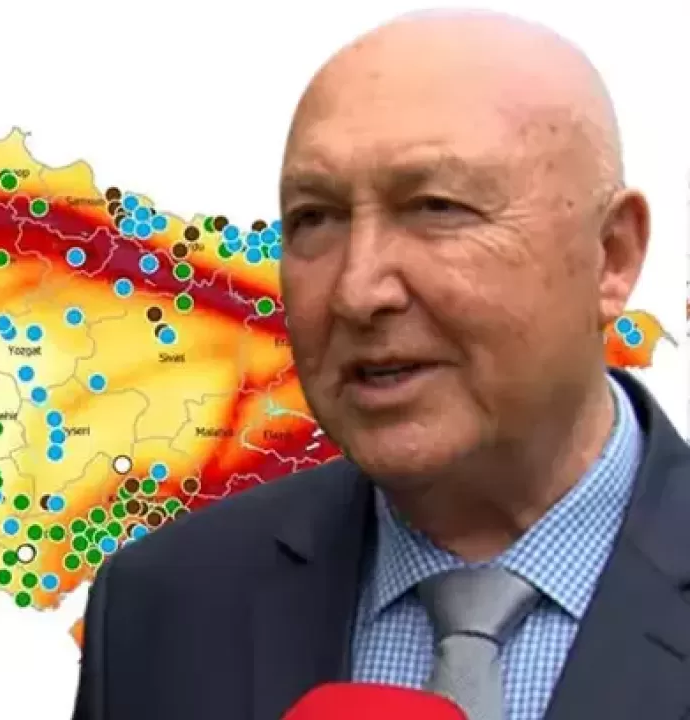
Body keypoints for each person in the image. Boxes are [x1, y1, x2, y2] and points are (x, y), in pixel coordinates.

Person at [72, 10, 686, 720]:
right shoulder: (164, 607)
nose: (358, 290)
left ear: (611, 256)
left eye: (436, 208)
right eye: (315, 218)